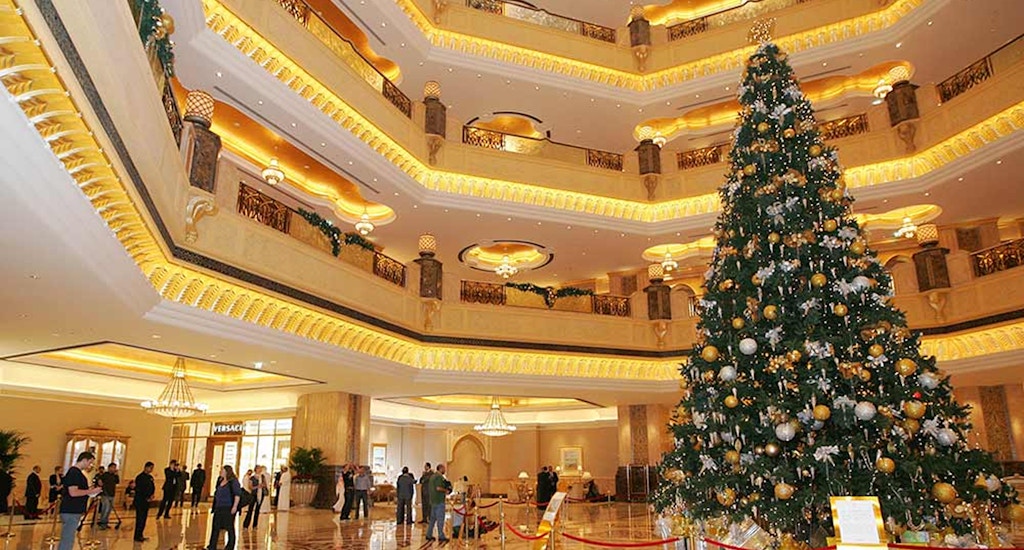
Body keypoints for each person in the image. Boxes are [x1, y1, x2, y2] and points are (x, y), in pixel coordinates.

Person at [58, 451, 103, 550]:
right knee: (67, 539)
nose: (90, 466)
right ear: (84, 460)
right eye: (90, 463)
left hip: (73, 510)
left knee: (68, 537)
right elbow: (73, 492)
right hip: (71, 510)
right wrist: (90, 492)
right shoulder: (74, 472)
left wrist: (90, 491)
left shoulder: (77, 473)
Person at [205, 465, 241, 550]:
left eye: (222, 470)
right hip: (218, 507)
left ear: (227, 472)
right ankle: (212, 545)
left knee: (229, 527)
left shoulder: (233, 482)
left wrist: (235, 506)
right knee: (215, 527)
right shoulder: (220, 480)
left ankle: (230, 546)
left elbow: (237, 495)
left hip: (228, 507)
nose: (220, 471)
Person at [425, 463, 451, 542]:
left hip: (433, 501)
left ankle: (429, 534)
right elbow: (438, 488)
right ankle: (441, 535)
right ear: (440, 469)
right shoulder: (439, 477)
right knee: (440, 519)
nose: (445, 470)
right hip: (439, 500)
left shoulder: (432, 477)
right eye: (444, 469)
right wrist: (446, 490)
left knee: (432, 519)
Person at [133, 462, 155, 542]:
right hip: (140, 501)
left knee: (144, 519)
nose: (151, 470)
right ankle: (137, 536)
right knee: (140, 519)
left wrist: (151, 495)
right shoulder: (140, 477)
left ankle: (141, 534)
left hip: (147, 501)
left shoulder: (150, 477)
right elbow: (139, 489)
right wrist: (146, 497)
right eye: (150, 468)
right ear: (146, 467)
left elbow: (152, 487)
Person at [97, 462, 119, 529]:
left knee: (109, 509)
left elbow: (117, 481)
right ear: (109, 468)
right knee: (105, 508)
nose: (114, 469)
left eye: (115, 468)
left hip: (112, 494)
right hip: (105, 494)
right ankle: (102, 523)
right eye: (113, 467)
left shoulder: (114, 476)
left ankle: (105, 522)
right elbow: (99, 480)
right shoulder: (105, 475)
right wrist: (100, 482)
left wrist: (116, 475)